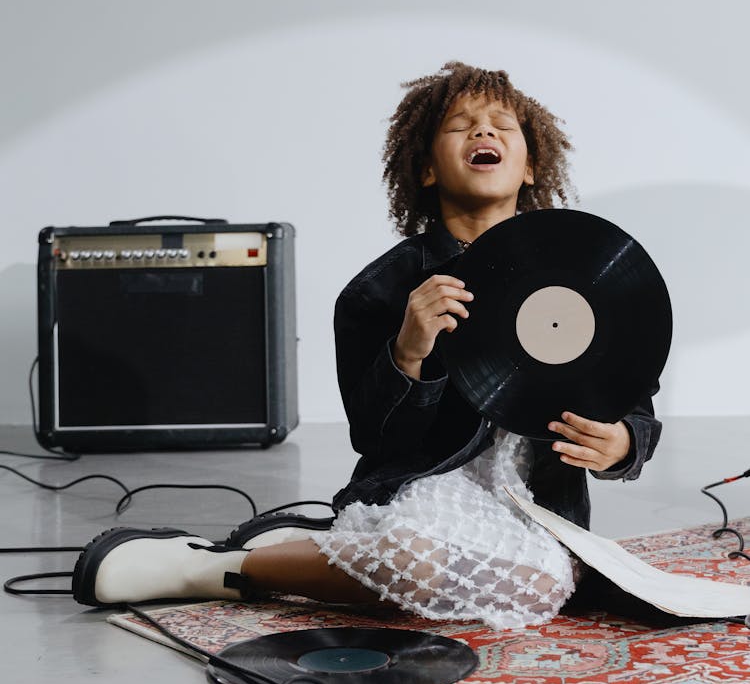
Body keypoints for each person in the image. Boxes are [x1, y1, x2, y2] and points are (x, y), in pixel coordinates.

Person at [73, 62, 661, 628]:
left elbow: (636, 410)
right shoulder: (381, 289)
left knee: (544, 588)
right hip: (427, 486)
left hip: (540, 509)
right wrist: (407, 351)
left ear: (531, 166)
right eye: (460, 126)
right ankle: (210, 567)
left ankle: (316, 549)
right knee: (419, 566)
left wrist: (620, 444)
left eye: (503, 126)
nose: (483, 131)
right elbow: (376, 440)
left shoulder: (588, 272)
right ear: (427, 169)